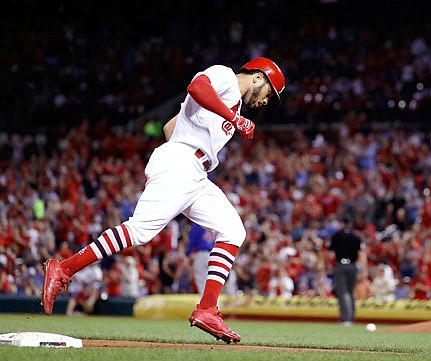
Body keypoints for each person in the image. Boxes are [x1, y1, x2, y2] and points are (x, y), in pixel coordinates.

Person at [41, 57, 286, 344]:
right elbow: (196, 87)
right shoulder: (225, 77)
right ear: (257, 77)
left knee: (233, 230)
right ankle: (64, 268)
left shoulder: (233, 104)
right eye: (270, 91)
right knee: (140, 231)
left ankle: (207, 309)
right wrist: (228, 122)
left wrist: (186, 146)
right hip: (182, 162)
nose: (267, 100)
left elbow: (171, 126)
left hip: (194, 172)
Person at [328, 218, 366, 325]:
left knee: (343, 292)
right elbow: (361, 254)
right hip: (353, 266)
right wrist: (363, 270)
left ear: (343, 223)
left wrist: (329, 265)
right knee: (350, 292)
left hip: (341, 265)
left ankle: (346, 319)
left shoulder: (337, 236)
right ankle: (351, 317)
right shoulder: (356, 237)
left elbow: (330, 252)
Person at [186, 222, 216, 296]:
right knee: (214, 282)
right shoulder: (214, 221)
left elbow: (193, 239)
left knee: (202, 283)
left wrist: (188, 252)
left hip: (202, 254)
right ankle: (215, 304)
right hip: (215, 254)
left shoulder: (198, 222)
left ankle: (206, 305)